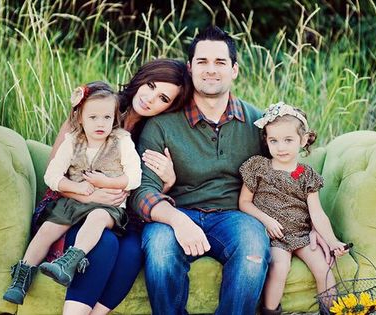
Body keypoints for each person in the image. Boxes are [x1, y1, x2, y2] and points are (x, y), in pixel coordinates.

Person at [28, 59, 192, 315]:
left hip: (120, 218)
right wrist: (89, 194)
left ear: (169, 107)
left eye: (163, 98)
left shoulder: (153, 133)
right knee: (104, 244)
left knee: (132, 251)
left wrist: (168, 181)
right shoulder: (98, 104)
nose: (149, 99)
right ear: (141, 79)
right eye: (149, 85)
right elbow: (54, 173)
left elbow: (141, 191)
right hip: (70, 210)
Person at [129, 26, 270, 315]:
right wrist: (179, 221)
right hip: (176, 213)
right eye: (203, 62)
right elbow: (142, 192)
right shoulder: (162, 124)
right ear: (190, 67)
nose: (211, 70)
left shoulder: (257, 123)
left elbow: (280, 177)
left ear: (234, 70)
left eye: (220, 62)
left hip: (234, 217)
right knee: (160, 250)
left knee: (254, 245)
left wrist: (308, 227)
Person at [3, 81, 142, 304]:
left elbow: (135, 178)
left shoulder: (122, 141)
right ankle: (22, 277)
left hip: (109, 205)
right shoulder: (73, 141)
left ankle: (69, 261)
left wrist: (108, 182)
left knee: (96, 218)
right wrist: (76, 187)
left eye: (107, 118)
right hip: (74, 200)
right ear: (79, 118)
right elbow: (52, 176)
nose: (100, 123)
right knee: (48, 229)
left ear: (115, 119)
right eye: (93, 117)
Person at [238, 102, 348, 315]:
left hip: (302, 234)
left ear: (303, 140)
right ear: (266, 141)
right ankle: (270, 311)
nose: (281, 147)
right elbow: (244, 203)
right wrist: (266, 220)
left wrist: (333, 241)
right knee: (279, 267)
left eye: (288, 140)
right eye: (274, 141)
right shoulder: (259, 167)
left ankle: (332, 311)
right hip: (274, 235)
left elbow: (316, 213)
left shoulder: (307, 175)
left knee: (323, 269)